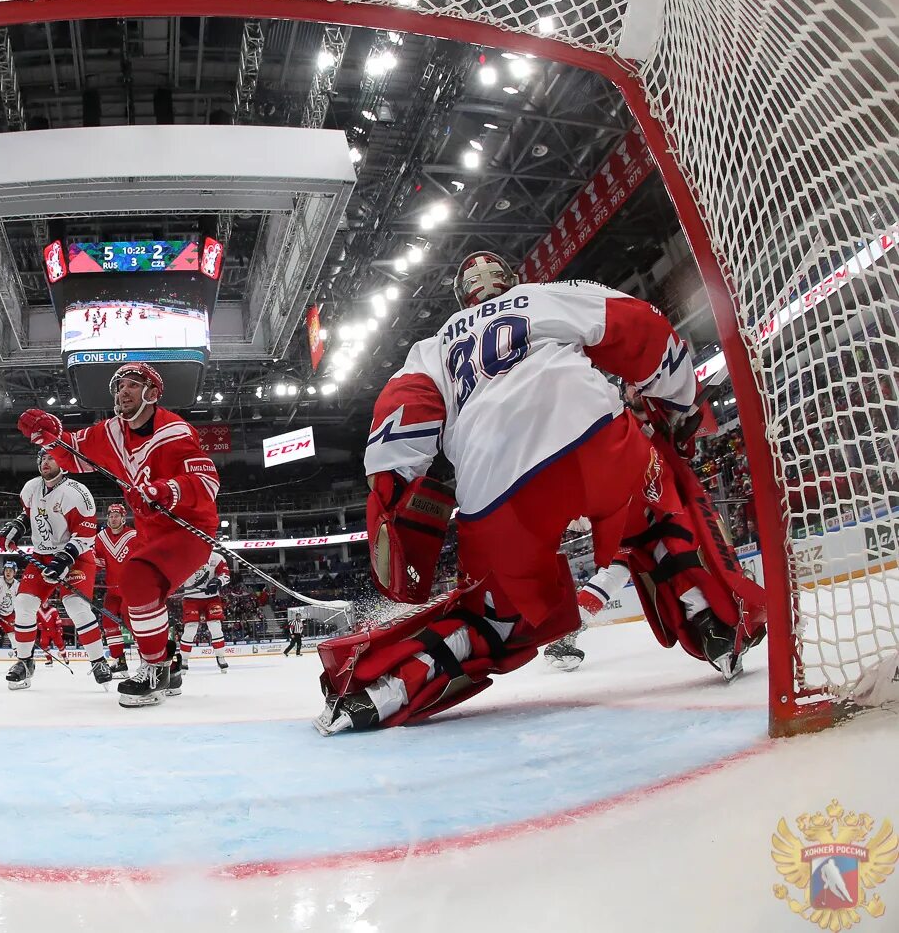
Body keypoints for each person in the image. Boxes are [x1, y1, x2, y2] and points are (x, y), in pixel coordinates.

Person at [315, 252, 765, 735]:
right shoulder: (545, 295)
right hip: (591, 441)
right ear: (511, 280)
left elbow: (398, 426)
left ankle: (379, 693)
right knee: (657, 508)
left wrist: (390, 499)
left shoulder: (431, 349)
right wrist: (679, 403)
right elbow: (641, 329)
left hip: (491, 487)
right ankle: (711, 622)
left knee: (492, 617)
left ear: (461, 298)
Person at [19, 361, 221, 707]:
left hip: (187, 528)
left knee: (137, 581)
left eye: (131, 384)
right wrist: (46, 436)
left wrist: (166, 490)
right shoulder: (110, 432)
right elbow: (71, 452)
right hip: (150, 530)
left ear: (153, 394)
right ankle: (169, 664)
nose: (122, 391)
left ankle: (154, 669)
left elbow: (208, 481)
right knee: (133, 606)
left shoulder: (175, 432)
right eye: (118, 387)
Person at [0, 449, 113, 689]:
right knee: (24, 605)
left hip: (76, 556)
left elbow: (86, 534)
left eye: (51, 458)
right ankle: (25, 662)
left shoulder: (78, 494)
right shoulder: (31, 488)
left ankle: (99, 661)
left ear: (63, 461)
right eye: (42, 458)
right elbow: (29, 515)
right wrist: (15, 528)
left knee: (75, 605)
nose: (45, 462)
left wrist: (65, 559)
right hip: (42, 556)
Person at [91, 503, 137, 676]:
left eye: (116, 515)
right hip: (112, 591)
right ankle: (119, 661)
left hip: (131, 590)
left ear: (123, 518)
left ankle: (148, 659)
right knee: (108, 622)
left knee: (134, 624)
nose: (113, 518)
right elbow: (98, 563)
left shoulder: (133, 536)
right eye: (110, 515)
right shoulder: (100, 537)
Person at [178, 550, 232, 672]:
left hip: (212, 599)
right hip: (191, 599)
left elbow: (226, 574)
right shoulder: (184, 556)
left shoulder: (217, 557)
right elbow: (176, 575)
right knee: (190, 629)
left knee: (215, 626)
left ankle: (220, 656)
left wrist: (218, 581)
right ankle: (184, 659)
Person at [37, 598, 66, 664]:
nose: (44, 604)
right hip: (44, 631)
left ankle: (64, 657)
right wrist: (39, 625)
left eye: (46, 603)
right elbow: (38, 621)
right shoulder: (39, 611)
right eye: (43, 603)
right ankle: (49, 659)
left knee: (60, 644)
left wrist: (59, 627)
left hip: (54, 630)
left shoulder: (53, 610)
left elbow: (58, 619)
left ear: (48, 603)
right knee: (43, 644)